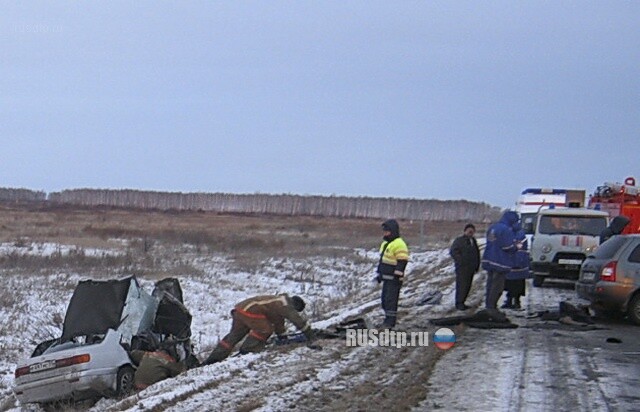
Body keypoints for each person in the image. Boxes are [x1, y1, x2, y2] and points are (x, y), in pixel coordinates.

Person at [202, 294, 313, 365]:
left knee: (234, 335)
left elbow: (278, 321)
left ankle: (213, 359)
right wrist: (309, 333)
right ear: (295, 305)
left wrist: (282, 335)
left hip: (240, 310)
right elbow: (296, 319)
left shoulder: (278, 301)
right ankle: (247, 350)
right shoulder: (285, 305)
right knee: (265, 329)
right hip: (250, 310)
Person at [375, 219, 410, 328]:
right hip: (386, 278)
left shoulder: (399, 244)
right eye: (384, 231)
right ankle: (387, 319)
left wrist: (397, 275)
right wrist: (379, 275)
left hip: (394, 279)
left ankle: (390, 323)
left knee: (391, 301)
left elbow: (402, 261)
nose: (385, 233)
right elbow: (383, 261)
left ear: (393, 231)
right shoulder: (386, 244)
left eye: (387, 231)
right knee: (385, 301)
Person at [481, 211, 518, 312]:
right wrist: (515, 247)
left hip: (489, 259)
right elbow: (508, 246)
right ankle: (492, 307)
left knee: (490, 284)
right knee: (497, 286)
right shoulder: (506, 230)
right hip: (500, 261)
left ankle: (488, 304)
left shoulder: (493, 227)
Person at [449, 223, 481, 310]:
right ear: (465, 231)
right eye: (469, 231)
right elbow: (453, 252)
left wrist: (477, 265)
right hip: (462, 268)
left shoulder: (473, 241)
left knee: (467, 286)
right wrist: (461, 261)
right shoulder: (459, 240)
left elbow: (476, 254)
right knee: (461, 286)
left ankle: (463, 302)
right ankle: (459, 303)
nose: (470, 233)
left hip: (471, 268)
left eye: (472, 231)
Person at [502, 222, 531, 309]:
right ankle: (511, 301)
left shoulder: (520, 236)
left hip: (517, 264)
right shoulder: (517, 234)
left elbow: (519, 249)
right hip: (513, 264)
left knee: (516, 284)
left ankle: (515, 302)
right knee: (512, 284)